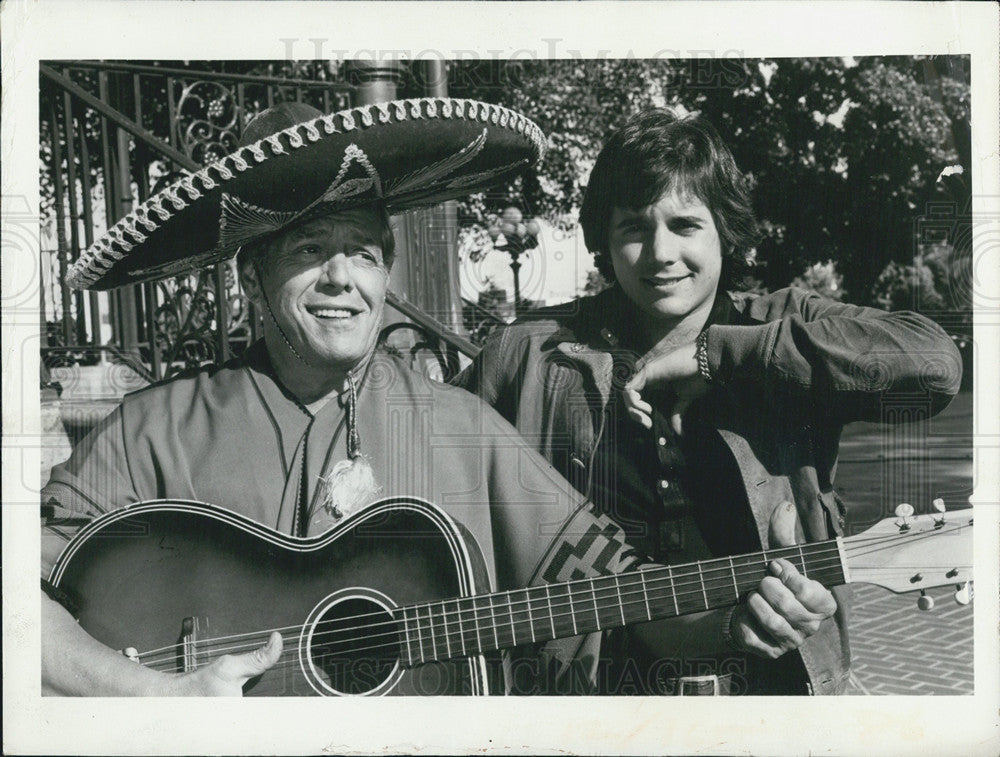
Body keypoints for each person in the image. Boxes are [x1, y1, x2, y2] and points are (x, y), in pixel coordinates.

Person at [42, 99, 641, 696]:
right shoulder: (153, 430)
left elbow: (624, 594)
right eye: (308, 250)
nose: (340, 277)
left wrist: (728, 611)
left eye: (363, 253)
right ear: (251, 276)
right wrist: (159, 695)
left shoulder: (463, 429)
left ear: (386, 275)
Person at [453, 108, 962, 695]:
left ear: (725, 229)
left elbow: (935, 366)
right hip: (592, 696)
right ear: (603, 238)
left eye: (685, 224)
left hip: (780, 688)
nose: (660, 252)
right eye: (634, 227)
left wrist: (717, 357)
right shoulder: (531, 352)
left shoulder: (782, 325)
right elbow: (434, 487)